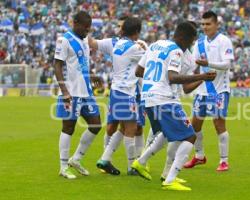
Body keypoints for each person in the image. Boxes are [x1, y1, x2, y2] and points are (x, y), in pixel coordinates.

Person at [131, 21, 216, 191]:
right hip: (164, 99)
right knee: (190, 136)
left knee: (165, 133)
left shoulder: (156, 45)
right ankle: (170, 179)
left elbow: (138, 72)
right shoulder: (176, 50)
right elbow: (172, 77)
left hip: (148, 98)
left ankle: (141, 162)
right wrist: (203, 77)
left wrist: (155, 80)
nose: (190, 46)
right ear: (183, 37)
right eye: (191, 42)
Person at [90, 17, 146, 175]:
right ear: (136, 32)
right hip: (127, 93)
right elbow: (149, 62)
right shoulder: (135, 48)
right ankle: (131, 167)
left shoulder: (115, 43)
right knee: (131, 129)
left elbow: (93, 43)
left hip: (115, 92)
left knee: (121, 128)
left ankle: (105, 158)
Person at [183, 11, 234, 172]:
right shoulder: (199, 43)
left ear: (216, 24)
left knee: (218, 124)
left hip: (219, 90)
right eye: (203, 24)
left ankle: (224, 161)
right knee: (195, 125)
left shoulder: (224, 41)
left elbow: (226, 65)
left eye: (208, 24)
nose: (205, 27)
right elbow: (193, 65)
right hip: (202, 90)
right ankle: (199, 156)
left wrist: (209, 63)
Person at [54, 11, 102, 179]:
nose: (87, 31)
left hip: (85, 91)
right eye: (85, 28)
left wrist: (92, 75)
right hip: (71, 92)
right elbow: (57, 65)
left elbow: (82, 64)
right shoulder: (64, 40)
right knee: (68, 128)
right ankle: (63, 166)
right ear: (75, 23)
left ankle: (76, 159)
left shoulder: (83, 41)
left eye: (89, 29)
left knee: (96, 125)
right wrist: (65, 91)